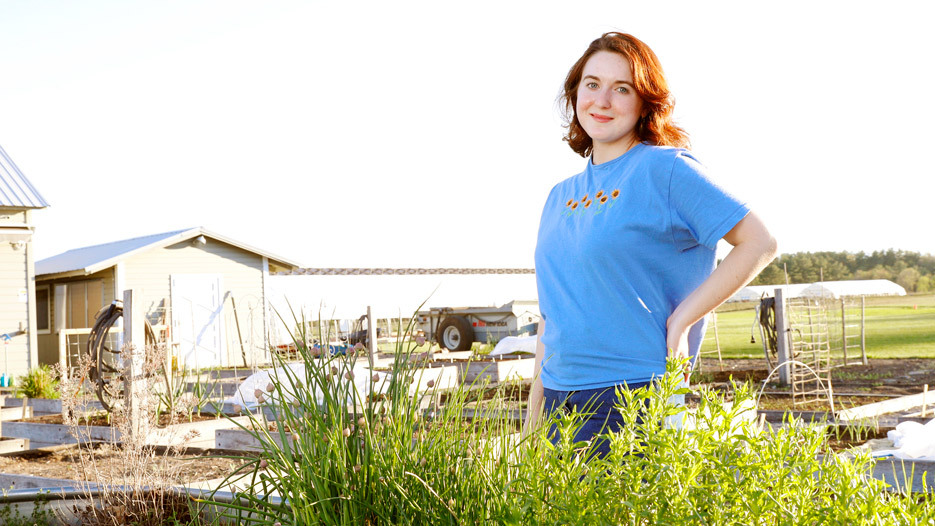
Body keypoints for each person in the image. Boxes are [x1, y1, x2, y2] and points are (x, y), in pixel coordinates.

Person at [523, 32, 778, 457]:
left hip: (632, 396)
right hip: (558, 400)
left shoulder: (665, 169)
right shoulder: (558, 195)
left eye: (621, 89)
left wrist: (682, 321)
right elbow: (553, 313)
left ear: (645, 102)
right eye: (592, 84)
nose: (602, 100)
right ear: (575, 94)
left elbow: (760, 242)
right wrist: (533, 415)